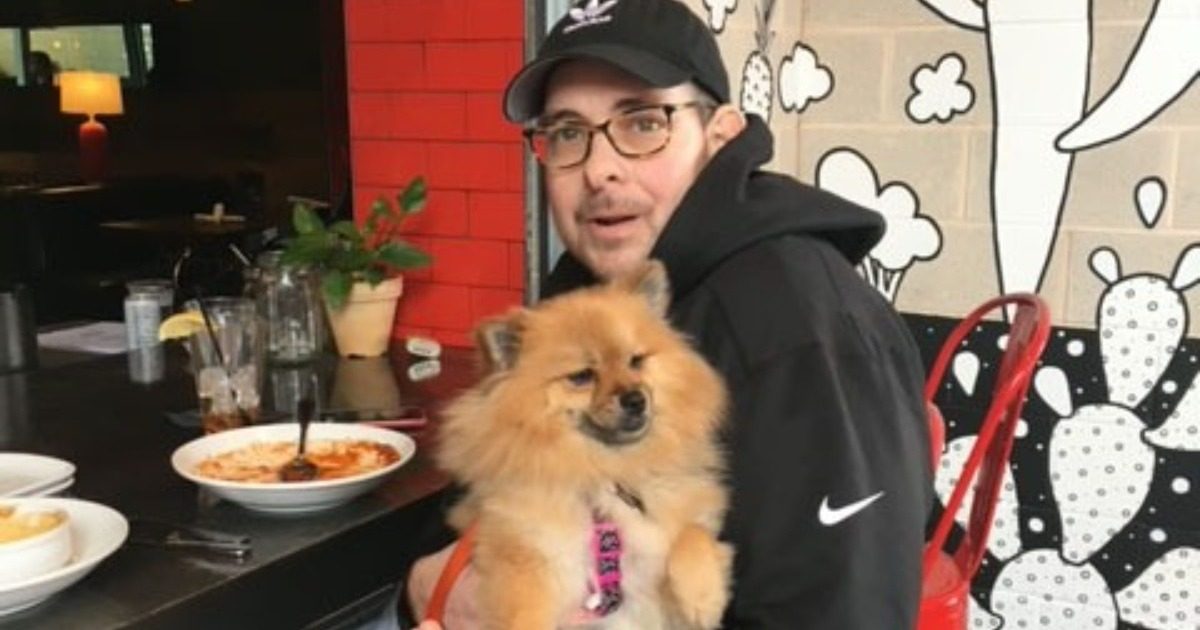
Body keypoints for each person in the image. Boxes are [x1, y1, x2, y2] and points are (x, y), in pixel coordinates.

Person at [405, 0, 933, 627]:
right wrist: (429, 591)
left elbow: (843, 612)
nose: (600, 168)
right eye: (568, 132)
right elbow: (480, 509)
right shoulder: (591, 289)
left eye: (642, 122)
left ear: (721, 134)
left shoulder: (799, 330)